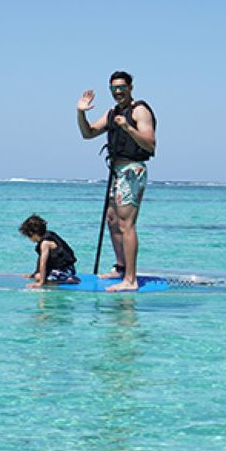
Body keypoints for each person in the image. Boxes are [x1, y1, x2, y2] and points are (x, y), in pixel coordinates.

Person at [76, 71, 156, 292]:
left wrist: (128, 128)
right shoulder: (112, 113)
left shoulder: (140, 110)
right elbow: (88, 133)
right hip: (117, 170)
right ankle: (121, 268)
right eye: (114, 88)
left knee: (126, 224)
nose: (118, 92)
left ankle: (131, 279)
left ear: (131, 87)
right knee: (112, 220)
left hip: (132, 169)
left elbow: (150, 144)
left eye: (122, 87)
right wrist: (80, 113)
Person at [18, 214, 79, 288]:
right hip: (61, 268)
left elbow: (43, 263)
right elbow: (40, 259)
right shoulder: (47, 236)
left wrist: (40, 283)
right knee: (37, 276)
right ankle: (64, 278)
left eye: (28, 235)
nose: (29, 238)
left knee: (44, 279)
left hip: (67, 269)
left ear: (32, 233)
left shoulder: (45, 243)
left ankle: (69, 280)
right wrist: (34, 274)